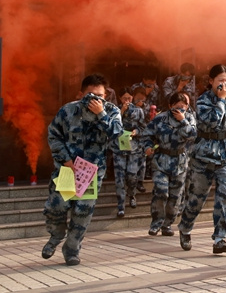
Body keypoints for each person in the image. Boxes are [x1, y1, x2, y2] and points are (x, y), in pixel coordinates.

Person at [42, 74, 123, 266]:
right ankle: (56, 235)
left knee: (82, 213)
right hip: (68, 170)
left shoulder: (111, 111)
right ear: (81, 94)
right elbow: (54, 135)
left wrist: (101, 114)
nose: (96, 99)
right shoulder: (68, 110)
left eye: (100, 95)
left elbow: (118, 136)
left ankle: (71, 250)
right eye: (91, 95)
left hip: (91, 173)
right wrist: (66, 159)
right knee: (56, 207)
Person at [178, 64, 226, 254]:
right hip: (204, 156)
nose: (225, 85)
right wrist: (220, 101)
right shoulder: (203, 100)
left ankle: (220, 238)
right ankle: (185, 228)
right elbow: (211, 121)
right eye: (221, 80)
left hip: (225, 155)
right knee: (197, 198)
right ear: (211, 81)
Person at [141, 92, 197, 236]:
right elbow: (147, 134)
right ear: (170, 106)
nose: (180, 110)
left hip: (180, 161)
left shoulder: (190, 118)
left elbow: (193, 135)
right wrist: (147, 146)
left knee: (175, 195)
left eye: (183, 107)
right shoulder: (160, 118)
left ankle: (168, 224)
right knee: (161, 191)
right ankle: (156, 223)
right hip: (161, 160)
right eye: (177, 107)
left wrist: (183, 120)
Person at [112, 87, 147, 218]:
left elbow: (143, 127)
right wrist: (121, 112)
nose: (127, 100)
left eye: (129, 98)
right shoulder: (114, 110)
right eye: (124, 98)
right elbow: (111, 125)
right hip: (119, 147)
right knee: (119, 178)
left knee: (132, 175)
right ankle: (120, 206)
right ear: (120, 99)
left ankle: (132, 194)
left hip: (133, 147)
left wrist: (136, 132)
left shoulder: (139, 111)